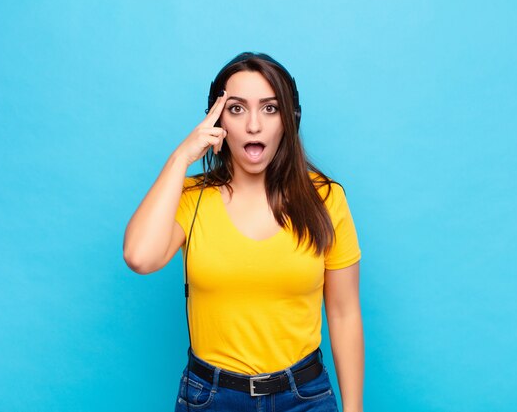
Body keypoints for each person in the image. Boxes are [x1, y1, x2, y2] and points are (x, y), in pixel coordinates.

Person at [123, 52, 364, 412]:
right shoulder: (192, 198)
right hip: (211, 398)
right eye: (236, 109)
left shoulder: (326, 199)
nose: (254, 125)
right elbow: (139, 257)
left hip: (304, 397)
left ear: (289, 118)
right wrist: (180, 158)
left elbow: (344, 313)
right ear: (217, 121)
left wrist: (355, 409)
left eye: (270, 108)